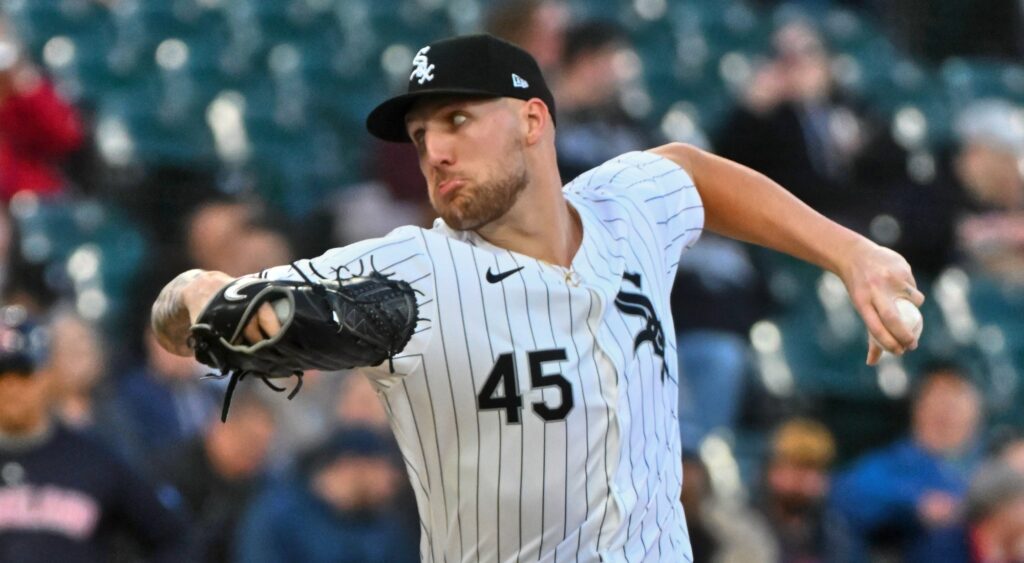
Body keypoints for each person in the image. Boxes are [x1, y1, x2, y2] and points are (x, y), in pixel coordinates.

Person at [151, 34, 924, 561]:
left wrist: (850, 252)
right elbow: (195, 310)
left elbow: (691, 172)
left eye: (457, 119)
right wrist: (197, 300)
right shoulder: (411, 273)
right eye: (420, 136)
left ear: (532, 120)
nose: (436, 150)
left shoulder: (625, 209)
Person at [0, 306, 188, 561]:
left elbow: (173, 537)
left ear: (47, 377)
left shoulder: (91, 459)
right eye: (2, 375)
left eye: (23, 373)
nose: (11, 388)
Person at [830, 362, 983, 562]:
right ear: (918, 407)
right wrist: (915, 503)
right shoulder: (896, 464)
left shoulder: (990, 463)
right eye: (939, 397)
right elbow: (846, 494)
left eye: (957, 398)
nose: (948, 410)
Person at [234, 426, 417, 563]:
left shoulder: (384, 525)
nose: (390, 484)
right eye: (383, 470)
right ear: (350, 465)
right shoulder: (278, 512)